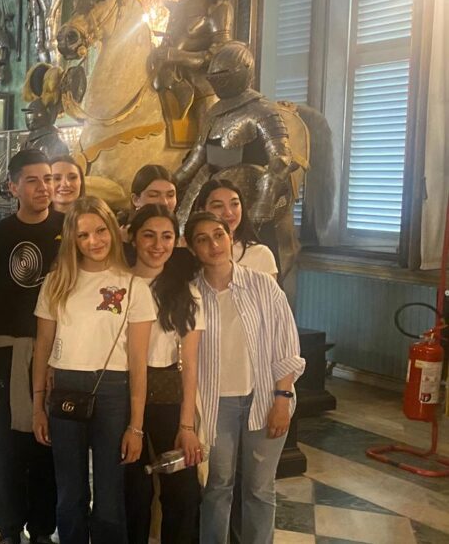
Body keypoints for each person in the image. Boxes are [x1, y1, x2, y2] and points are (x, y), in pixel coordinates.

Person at [31, 195, 155, 544]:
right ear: (73, 239)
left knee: (110, 493)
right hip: (66, 384)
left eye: (100, 231)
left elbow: (137, 363)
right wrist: (38, 405)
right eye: (83, 235)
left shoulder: (134, 287)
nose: (93, 241)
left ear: (113, 232)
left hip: (114, 390)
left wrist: (137, 425)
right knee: (70, 491)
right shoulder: (56, 282)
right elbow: (42, 348)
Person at [184, 211, 304, 543]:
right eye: (202, 239)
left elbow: (287, 347)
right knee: (217, 486)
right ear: (192, 248)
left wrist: (282, 399)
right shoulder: (190, 294)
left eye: (219, 235)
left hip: (264, 399)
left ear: (230, 237)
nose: (213, 244)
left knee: (260, 489)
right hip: (214, 405)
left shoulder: (261, 284)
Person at [0, 149, 59, 544]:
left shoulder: (69, 229)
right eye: (33, 181)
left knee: (46, 446)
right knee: (6, 447)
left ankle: (42, 527)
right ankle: (8, 527)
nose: (44, 188)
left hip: (55, 355)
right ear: (13, 186)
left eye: (49, 179)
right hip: (6, 354)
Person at [123, 205, 203, 544]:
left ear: (177, 241)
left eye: (167, 236)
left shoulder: (186, 293)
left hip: (170, 395)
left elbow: (192, 364)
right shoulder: (117, 285)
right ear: (132, 237)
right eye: (149, 235)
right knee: (132, 492)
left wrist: (187, 426)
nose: (158, 245)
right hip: (123, 396)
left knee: (183, 494)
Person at [193, 179, 278, 277]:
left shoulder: (260, 254)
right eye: (218, 206)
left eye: (235, 204)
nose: (228, 212)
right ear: (202, 210)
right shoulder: (192, 253)